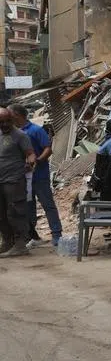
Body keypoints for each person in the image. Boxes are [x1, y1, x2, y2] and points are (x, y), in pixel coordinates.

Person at [10, 105, 61, 248]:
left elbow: (48, 148)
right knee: (28, 207)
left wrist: (38, 160)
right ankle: (32, 236)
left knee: (47, 205)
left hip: (39, 175)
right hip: (22, 177)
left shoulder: (35, 130)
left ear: (18, 115)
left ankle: (57, 234)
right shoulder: (13, 133)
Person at [0, 108, 35, 257]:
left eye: (8, 121)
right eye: (1, 122)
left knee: (15, 212)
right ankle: (7, 242)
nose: (5, 124)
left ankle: (21, 245)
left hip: (14, 180)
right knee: (1, 214)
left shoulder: (20, 135)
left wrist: (30, 162)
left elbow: (31, 154)